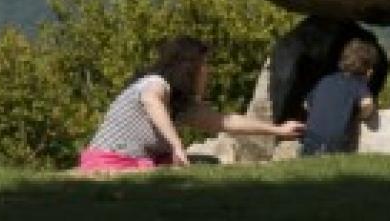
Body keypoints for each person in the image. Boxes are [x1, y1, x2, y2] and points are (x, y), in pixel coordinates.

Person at [77, 35, 305, 171]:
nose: (208, 71)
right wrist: (177, 146)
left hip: (138, 162)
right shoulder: (155, 83)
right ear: (190, 68)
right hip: (111, 162)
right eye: (205, 65)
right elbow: (151, 100)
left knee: (208, 162)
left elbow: (225, 122)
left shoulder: (179, 104)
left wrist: (277, 130)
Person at [299, 38, 379, 156]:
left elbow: (306, 104)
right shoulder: (357, 83)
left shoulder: (325, 80)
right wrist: (360, 115)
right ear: (368, 70)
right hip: (334, 144)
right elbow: (367, 103)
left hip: (309, 140)